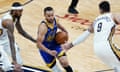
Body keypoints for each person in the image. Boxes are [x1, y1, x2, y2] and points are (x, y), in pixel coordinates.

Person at [63, 1, 120, 72]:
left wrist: (70, 45)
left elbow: (85, 35)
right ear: (109, 8)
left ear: (100, 10)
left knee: (117, 66)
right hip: (107, 46)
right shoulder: (113, 15)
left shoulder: (96, 21)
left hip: (97, 49)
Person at [0, 2, 36, 71]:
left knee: (19, 63)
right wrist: (14, 61)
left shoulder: (16, 17)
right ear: (14, 11)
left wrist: (35, 41)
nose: (21, 13)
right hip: (3, 42)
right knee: (7, 66)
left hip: (5, 39)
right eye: (20, 11)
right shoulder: (8, 22)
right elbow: (11, 42)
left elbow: (21, 31)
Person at [37, 7, 73, 72]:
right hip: (45, 48)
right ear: (44, 15)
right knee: (57, 71)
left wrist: (65, 40)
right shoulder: (43, 27)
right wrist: (49, 52)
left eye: (52, 15)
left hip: (54, 44)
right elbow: (38, 44)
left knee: (64, 62)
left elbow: (63, 29)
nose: (51, 17)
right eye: (48, 16)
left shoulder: (55, 19)